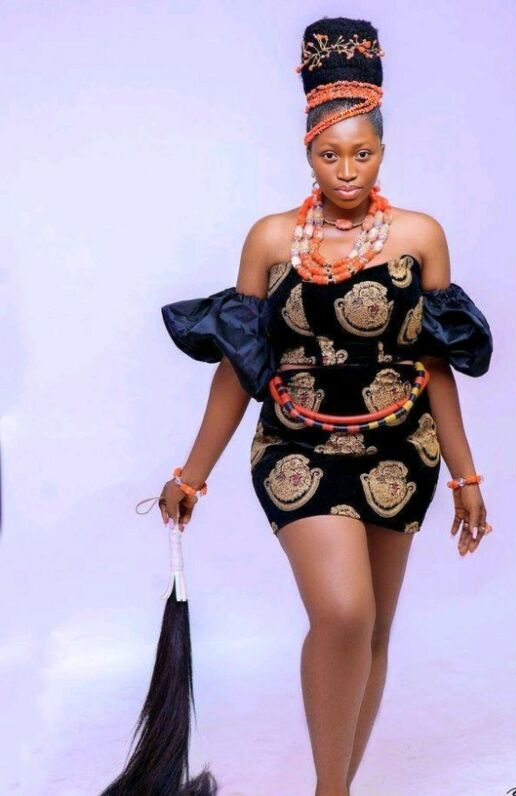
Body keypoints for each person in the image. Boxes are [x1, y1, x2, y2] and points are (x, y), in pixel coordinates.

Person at [159, 15, 494, 796]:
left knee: (372, 630)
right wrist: (192, 473)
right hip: (297, 446)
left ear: (384, 149)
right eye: (329, 153)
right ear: (307, 151)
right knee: (344, 613)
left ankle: (332, 786)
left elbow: (435, 363)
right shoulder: (271, 240)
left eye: (362, 152)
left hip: (402, 449)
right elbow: (239, 366)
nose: (347, 170)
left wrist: (466, 476)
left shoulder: (419, 236)